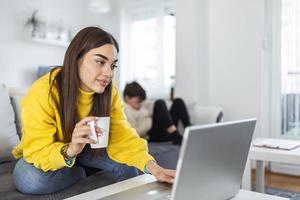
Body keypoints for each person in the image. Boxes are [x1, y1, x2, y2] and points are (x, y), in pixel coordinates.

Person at [12, 27, 175, 195]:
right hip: (49, 152)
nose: (108, 73)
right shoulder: (43, 91)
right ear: (76, 58)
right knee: (30, 179)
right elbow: (37, 149)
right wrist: (70, 150)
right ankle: (82, 171)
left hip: (88, 150)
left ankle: (82, 165)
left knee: (128, 165)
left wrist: (154, 168)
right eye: (100, 61)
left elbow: (122, 135)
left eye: (113, 65)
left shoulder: (109, 92)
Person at [123, 81, 191, 145]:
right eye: (138, 102)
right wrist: (146, 117)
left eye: (141, 102)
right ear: (127, 98)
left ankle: (190, 134)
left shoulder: (140, 107)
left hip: (163, 130)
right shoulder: (124, 110)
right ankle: (175, 135)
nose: (140, 105)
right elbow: (134, 133)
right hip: (152, 136)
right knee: (159, 103)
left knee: (178, 101)